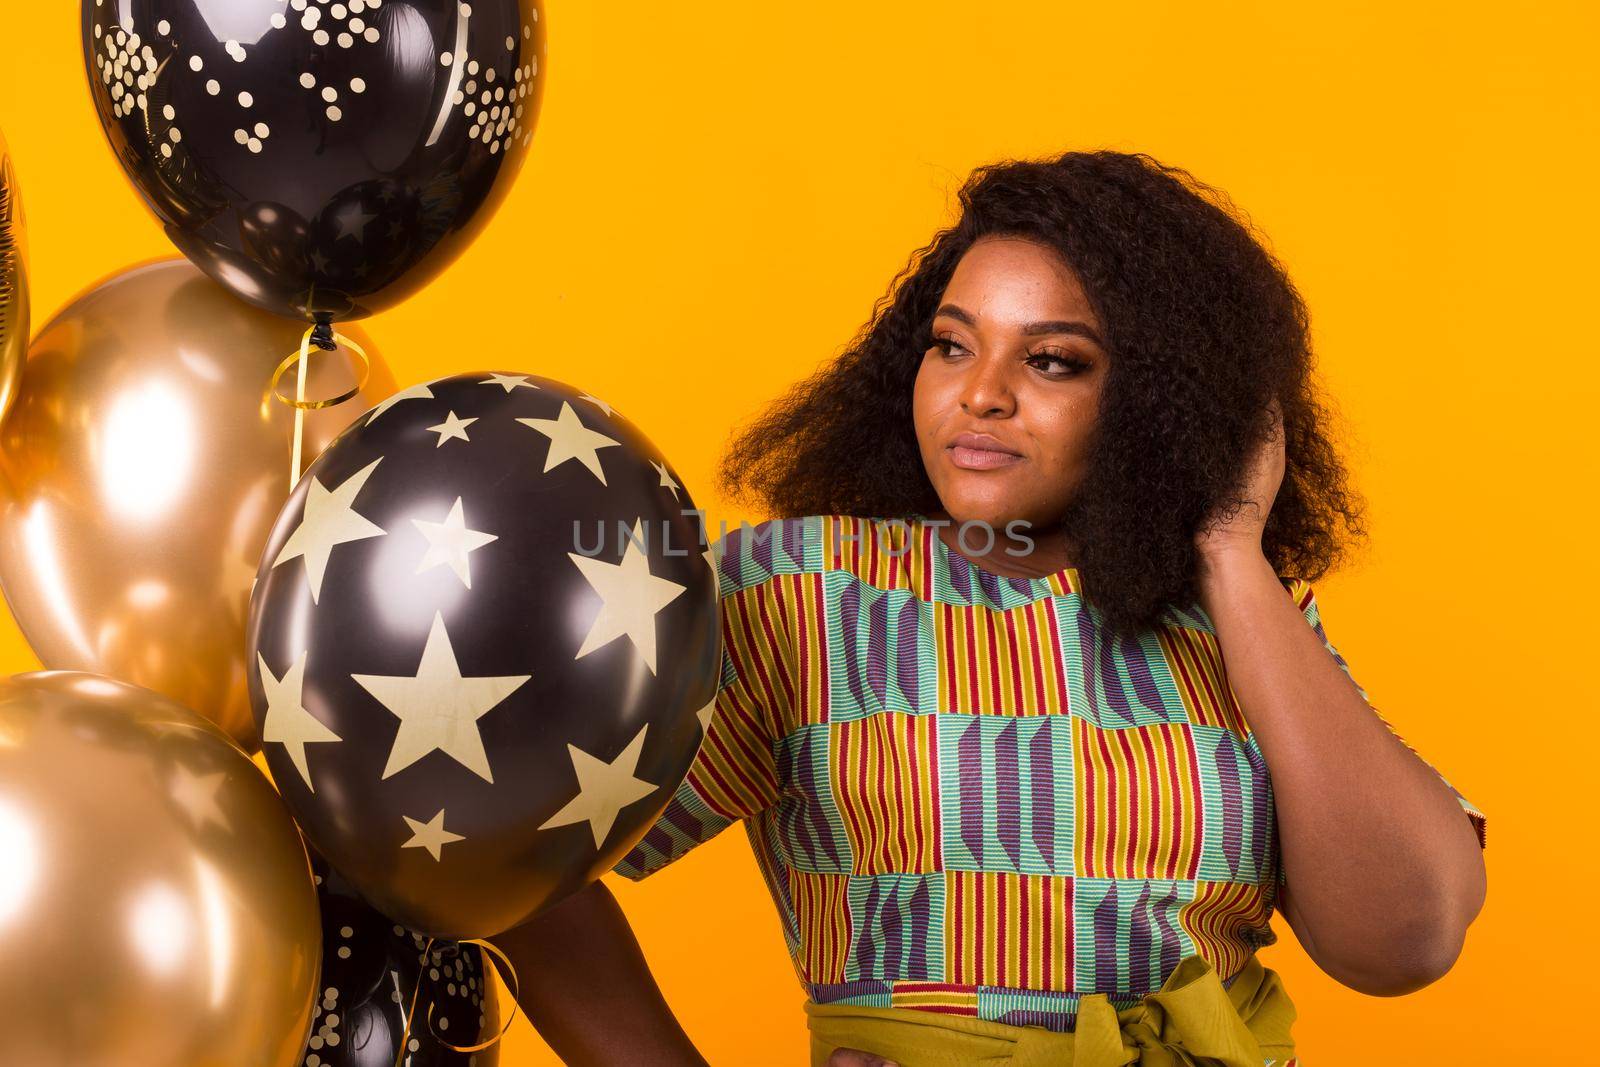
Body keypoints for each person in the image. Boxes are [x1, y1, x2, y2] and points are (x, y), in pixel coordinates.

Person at [498, 149, 1488, 1066]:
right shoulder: (802, 589)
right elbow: (513, 860)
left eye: (1051, 360)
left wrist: (1229, 547)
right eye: (950, 345)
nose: (980, 394)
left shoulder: (1241, 622)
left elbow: (1402, 939)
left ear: (1163, 399)